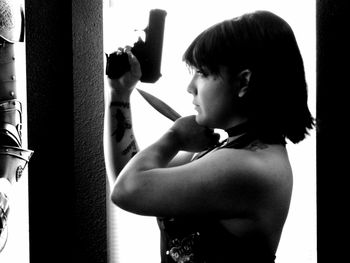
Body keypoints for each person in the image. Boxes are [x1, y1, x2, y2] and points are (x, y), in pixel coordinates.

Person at [104, 10, 314, 263]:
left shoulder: (246, 166)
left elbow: (127, 191)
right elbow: (130, 173)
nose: (190, 86)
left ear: (243, 82)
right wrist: (120, 94)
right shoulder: (232, 150)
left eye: (202, 73)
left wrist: (173, 137)